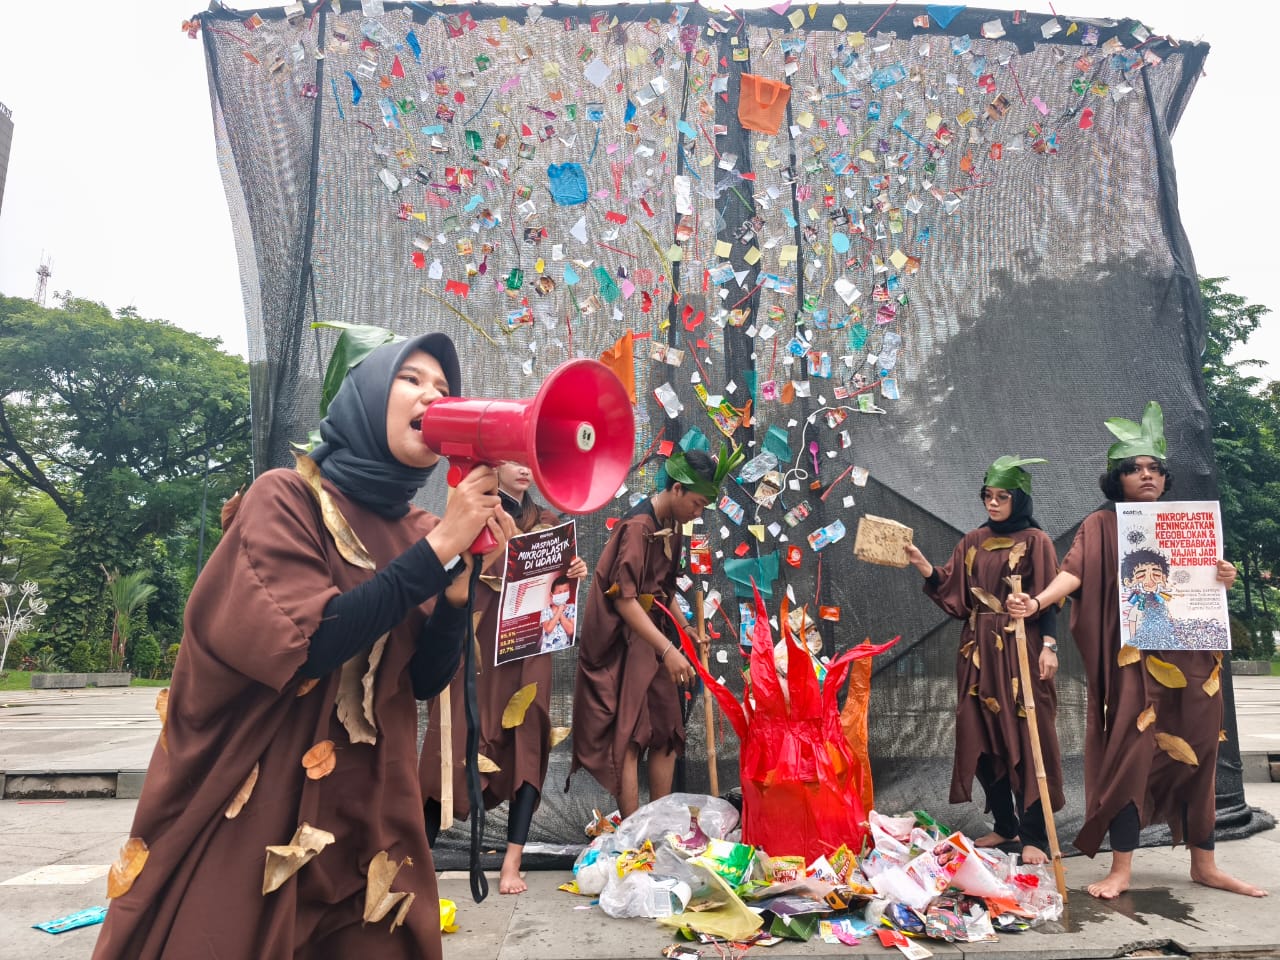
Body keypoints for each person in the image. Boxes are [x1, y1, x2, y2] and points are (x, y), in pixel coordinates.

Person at [93, 333, 513, 959]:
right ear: (367, 398)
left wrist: (455, 595)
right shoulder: (285, 498)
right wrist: (441, 549)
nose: (433, 395)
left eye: (445, 389)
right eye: (413, 379)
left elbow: (424, 681)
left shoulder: (423, 529)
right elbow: (313, 643)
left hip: (370, 810)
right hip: (265, 802)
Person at [1007, 402, 1267, 899]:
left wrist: (1225, 576)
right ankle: (1122, 868)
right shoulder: (1102, 525)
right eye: (1134, 469)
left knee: (1201, 752)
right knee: (1131, 752)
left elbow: (1203, 580)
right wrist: (1037, 601)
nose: (1145, 476)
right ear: (1117, 479)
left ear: (1165, 478)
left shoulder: (1186, 521)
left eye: (1154, 469)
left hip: (1192, 658)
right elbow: (1075, 571)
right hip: (1135, 665)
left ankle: (1205, 863)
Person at [420, 461, 587, 895]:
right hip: (476, 635)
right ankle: (418, 859)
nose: (525, 469)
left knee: (528, 737)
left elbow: (558, 594)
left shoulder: (547, 523)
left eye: (530, 460)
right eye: (512, 460)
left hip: (529, 644)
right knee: (452, 738)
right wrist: (499, 546)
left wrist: (571, 574)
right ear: (492, 465)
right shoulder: (468, 512)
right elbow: (451, 577)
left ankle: (512, 862)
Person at [903, 456, 1065, 866]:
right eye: (988, 496)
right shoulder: (972, 541)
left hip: (1020, 649)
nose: (993, 504)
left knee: (1028, 737)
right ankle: (1006, 824)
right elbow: (955, 595)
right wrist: (925, 567)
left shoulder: (1037, 541)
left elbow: (1051, 597)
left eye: (1002, 497)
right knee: (982, 736)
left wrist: (1049, 646)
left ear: (1019, 499)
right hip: (976, 653)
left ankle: (1034, 836)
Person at [568, 447, 730, 818]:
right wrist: (669, 651)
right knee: (630, 734)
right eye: (697, 503)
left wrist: (687, 629)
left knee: (667, 727)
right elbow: (626, 602)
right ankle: (633, 833)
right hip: (620, 643)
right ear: (676, 489)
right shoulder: (639, 527)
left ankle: (656, 825)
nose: (698, 513)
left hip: (650, 635)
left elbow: (662, 590)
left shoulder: (671, 526)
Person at [540, 574, 578, 652]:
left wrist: (560, 612)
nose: (563, 594)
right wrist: (560, 610)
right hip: (546, 651)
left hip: (564, 651)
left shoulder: (571, 608)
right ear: (552, 594)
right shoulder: (545, 610)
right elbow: (548, 629)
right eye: (559, 592)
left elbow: (570, 630)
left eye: (565, 591)